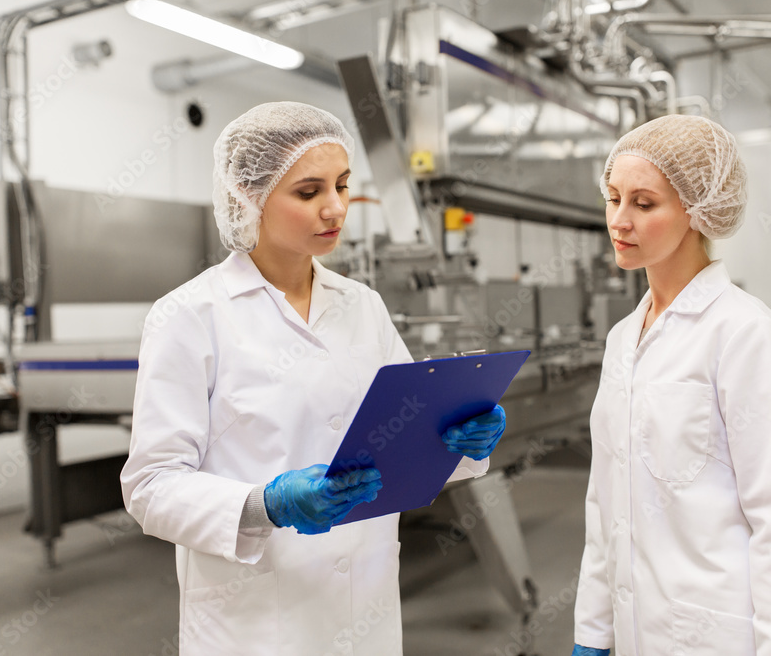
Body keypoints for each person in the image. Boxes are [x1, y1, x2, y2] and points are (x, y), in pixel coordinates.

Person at [120, 101, 506, 655]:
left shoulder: (362, 305)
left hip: (365, 609)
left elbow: (404, 438)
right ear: (247, 197)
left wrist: (457, 439)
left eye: (343, 185)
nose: (335, 208)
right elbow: (150, 485)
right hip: (256, 619)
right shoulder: (190, 315)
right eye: (308, 192)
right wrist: (265, 505)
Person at [571, 115, 771, 656]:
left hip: (717, 635)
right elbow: (606, 504)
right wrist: (593, 631)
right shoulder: (624, 339)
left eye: (644, 204)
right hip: (635, 632)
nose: (619, 221)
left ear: (699, 211)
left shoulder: (747, 335)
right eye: (613, 198)